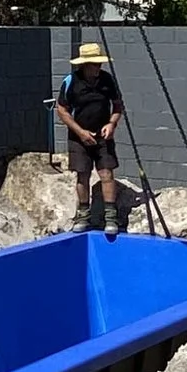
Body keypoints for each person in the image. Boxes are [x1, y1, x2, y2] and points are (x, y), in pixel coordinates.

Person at [55, 38, 126, 235]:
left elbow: (118, 105)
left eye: (99, 63)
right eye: (94, 64)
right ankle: (83, 214)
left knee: (106, 173)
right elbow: (62, 110)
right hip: (79, 136)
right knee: (82, 174)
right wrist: (80, 132)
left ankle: (111, 216)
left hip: (103, 135)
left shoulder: (107, 80)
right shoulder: (71, 82)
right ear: (84, 65)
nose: (98, 67)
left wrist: (112, 123)